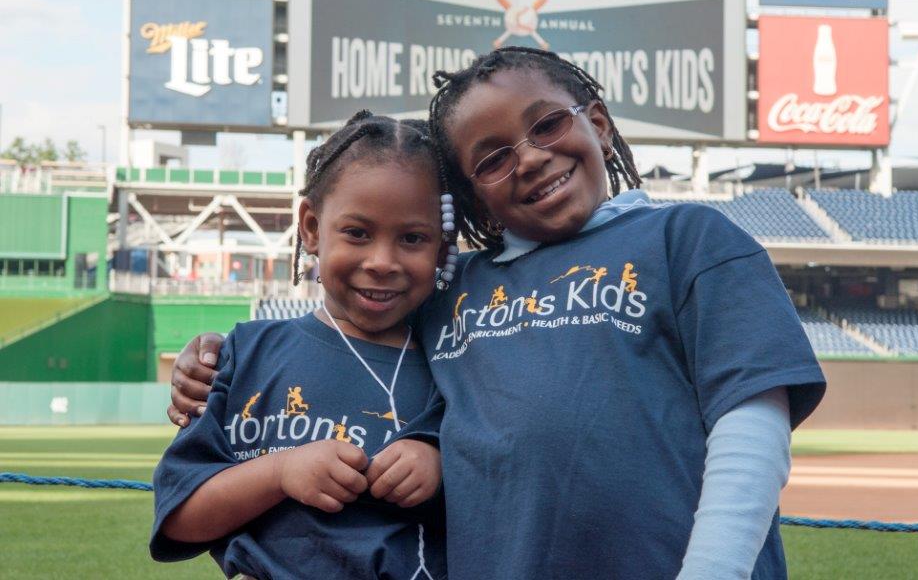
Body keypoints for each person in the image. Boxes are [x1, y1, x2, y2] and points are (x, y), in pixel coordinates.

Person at [169, 47, 826, 579]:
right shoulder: (453, 288)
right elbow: (372, 350)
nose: (533, 155)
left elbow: (753, 422)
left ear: (596, 123)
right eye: (492, 157)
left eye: (547, 124)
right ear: (472, 201)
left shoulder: (687, 238)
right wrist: (212, 362)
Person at [151, 113, 452, 579]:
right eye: (357, 233)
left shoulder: (460, 357)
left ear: (443, 243)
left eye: (413, 238)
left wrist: (440, 469)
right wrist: (280, 472)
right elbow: (179, 518)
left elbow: (516, 490)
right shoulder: (244, 355)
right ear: (311, 228)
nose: (381, 262)